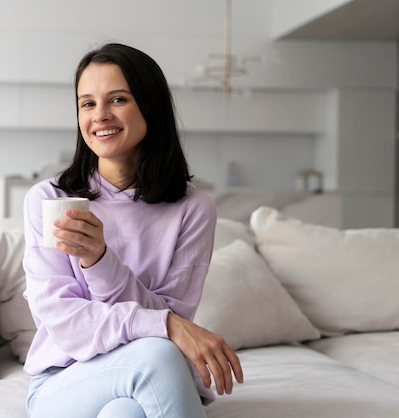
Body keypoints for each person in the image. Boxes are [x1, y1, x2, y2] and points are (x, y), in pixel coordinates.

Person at [22, 43, 243, 418]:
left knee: (125, 413)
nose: (100, 116)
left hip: (152, 374)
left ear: (150, 106)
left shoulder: (193, 210)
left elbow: (169, 325)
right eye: (87, 104)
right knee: (157, 353)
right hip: (64, 383)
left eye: (118, 99)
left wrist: (101, 262)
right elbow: (65, 323)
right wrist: (167, 323)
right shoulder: (50, 199)